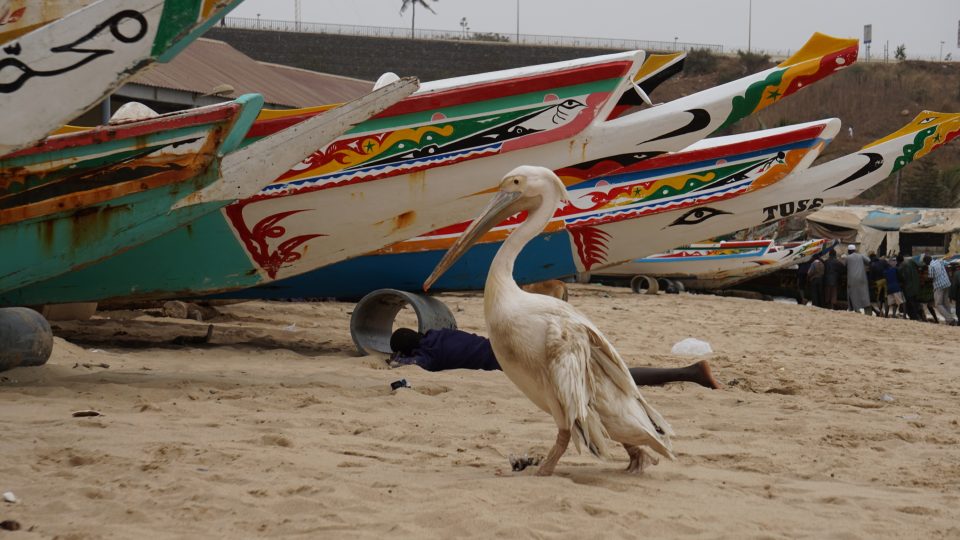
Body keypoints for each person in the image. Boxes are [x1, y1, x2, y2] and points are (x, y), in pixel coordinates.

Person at [390, 328, 721, 389]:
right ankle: (687, 373)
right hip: (523, 346)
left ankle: (690, 373)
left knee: (601, 375)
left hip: (522, 363)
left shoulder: (428, 355)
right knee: (602, 369)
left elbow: (419, 365)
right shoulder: (439, 335)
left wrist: (396, 361)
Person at [898, 254, 929, 321]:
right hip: (916, 287)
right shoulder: (912, 262)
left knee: (911, 304)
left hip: (909, 288)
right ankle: (920, 317)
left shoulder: (902, 266)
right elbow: (921, 267)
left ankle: (915, 317)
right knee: (915, 302)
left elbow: (901, 277)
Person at [928, 256, 957, 325]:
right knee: (946, 303)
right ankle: (950, 320)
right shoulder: (939, 261)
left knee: (938, 304)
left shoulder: (931, 266)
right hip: (947, 283)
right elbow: (947, 263)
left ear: (927, 262)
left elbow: (931, 277)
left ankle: (950, 319)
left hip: (939, 286)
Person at [842, 245, 872, 314]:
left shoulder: (847, 258)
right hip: (862, 278)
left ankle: (856, 310)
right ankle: (868, 312)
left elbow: (844, 266)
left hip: (852, 279)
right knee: (864, 295)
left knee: (853, 294)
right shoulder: (861, 256)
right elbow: (869, 261)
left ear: (849, 251)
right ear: (855, 250)